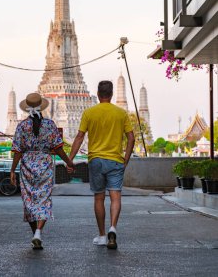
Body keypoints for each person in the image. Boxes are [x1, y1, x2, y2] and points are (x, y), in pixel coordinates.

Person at [67, 80, 135, 250]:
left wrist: (70, 159)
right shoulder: (121, 113)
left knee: (99, 198)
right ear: (111, 95)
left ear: (98, 94)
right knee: (115, 197)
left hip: (96, 160)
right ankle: (113, 227)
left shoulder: (90, 112)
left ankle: (103, 235)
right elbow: (131, 138)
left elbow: (79, 137)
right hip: (115, 160)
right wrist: (126, 158)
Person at [10, 92, 74, 250]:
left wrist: (12, 171)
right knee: (43, 200)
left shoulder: (22, 126)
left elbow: (17, 151)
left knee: (29, 202)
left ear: (27, 108)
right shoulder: (50, 125)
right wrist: (69, 162)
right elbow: (58, 149)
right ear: (41, 107)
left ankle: (36, 234)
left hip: (27, 167)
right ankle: (38, 232)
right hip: (45, 165)